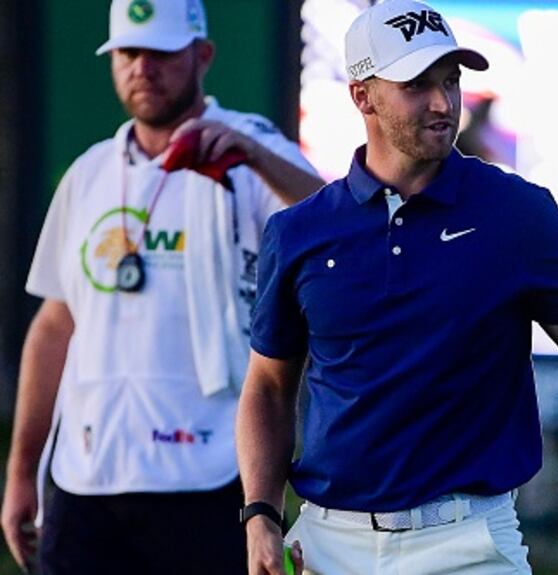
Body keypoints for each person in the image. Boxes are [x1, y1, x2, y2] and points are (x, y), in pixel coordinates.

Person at [235, 1, 558, 573]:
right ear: (362, 96)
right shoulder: (297, 232)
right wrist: (261, 517)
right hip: (326, 544)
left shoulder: (518, 211)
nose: (444, 103)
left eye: (451, 81)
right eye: (417, 85)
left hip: (469, 544)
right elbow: (268, 389)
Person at [0, 0, 324, 573]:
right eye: (128, 52)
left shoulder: (248, 148)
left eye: (161, 53)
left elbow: (338, 226)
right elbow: (54, 324)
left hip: (208, 470)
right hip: (87, 475)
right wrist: (21, 470)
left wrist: (250, 157)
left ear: (202, 56)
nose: (142, 68)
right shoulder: (89, 172)